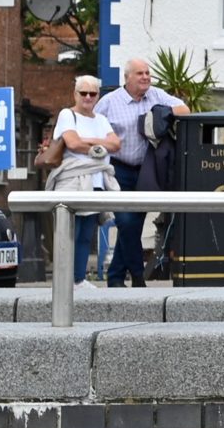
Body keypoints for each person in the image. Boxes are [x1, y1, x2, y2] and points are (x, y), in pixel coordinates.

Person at [92, 58, 185, 287]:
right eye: (140, 74)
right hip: (118, 169)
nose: (145, 77)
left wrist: (162, 113)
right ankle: (137, 276)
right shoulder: (109, 102)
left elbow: (185, 109)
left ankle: (115, 278)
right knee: (125, 223)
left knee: (134, 225)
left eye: (147, 73)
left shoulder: (155, 95)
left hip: (146, 170)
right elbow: (93, 125)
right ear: (127, 78)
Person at [45, 76, 119, 285]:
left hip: (95, 183)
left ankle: (78, 280)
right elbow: (72, 143)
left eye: (92, 93)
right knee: (69, 234)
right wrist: (100, 146)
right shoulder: (67, 115)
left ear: (98, 96)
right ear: (75, 94)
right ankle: (64, 281)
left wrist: (89, 142)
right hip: (71, 181)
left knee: (86, 235)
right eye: (83, 93)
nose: (88, 97)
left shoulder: (101, 119)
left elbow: (115, 144)